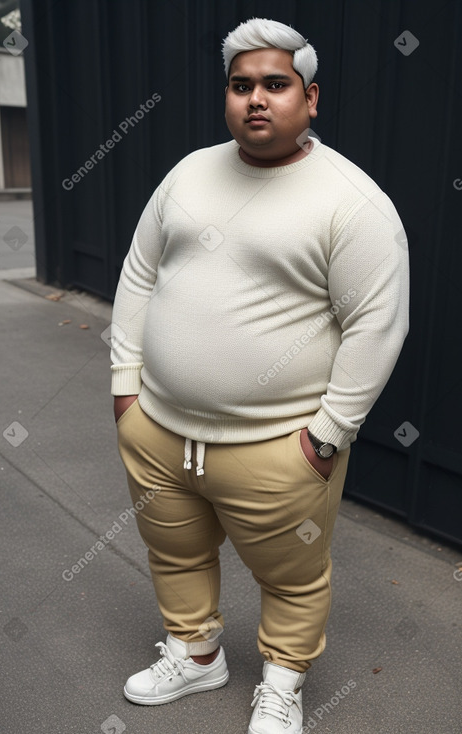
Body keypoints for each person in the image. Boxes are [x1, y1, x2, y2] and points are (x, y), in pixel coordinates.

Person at [110, 17, 409, 734]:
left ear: (310, 98)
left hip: (279, 446)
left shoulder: (350, 200)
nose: (254, 99)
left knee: (293, 578)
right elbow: (139, 274)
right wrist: (126, 389)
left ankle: (282, 683)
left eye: (274, 85)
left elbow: (376, 324)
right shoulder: (187, 172)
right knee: (173, 554)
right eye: (240, 85)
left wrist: (327, 436)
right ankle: (196, 653)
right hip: (156, 430)